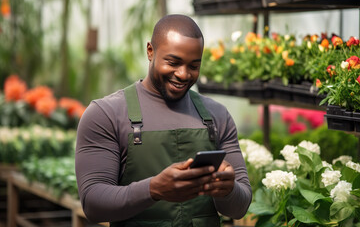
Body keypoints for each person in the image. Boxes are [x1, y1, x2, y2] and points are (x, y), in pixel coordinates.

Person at [75, 14, 252, 227]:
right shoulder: (106, 114)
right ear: (150, 51)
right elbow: (93, 204)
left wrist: (228, 190)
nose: (183, 74)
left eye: (194, 66)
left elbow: (239, 208)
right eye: (173, 62)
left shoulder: (216, 116)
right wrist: (154, 189)